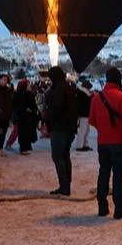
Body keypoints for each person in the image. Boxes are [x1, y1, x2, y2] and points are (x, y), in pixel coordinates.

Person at [89, 67, 122, 219]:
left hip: (102, 142)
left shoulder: (97, 97)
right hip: (118, 142)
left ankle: (102, 206)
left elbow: (92, 120)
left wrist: (104, 130)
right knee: (118, 176)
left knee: (103, 173)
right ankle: (120, 208)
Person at [43, 66, 77, 196]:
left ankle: (64, 185)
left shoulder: (58, 90)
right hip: (69, 128)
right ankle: (66, 183)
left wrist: (47, 121)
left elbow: (55, 109)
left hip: (59, 128)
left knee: (58, 156)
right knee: (65, 155)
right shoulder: (69, 87)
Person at [12, 79, 38, 155]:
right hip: (22, 117)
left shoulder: (30, 94)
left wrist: (32, 109)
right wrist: (25, 109)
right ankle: (23, 148)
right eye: (28, 85)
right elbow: (16, 105)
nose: (29, 86)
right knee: (23, 132)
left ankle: (27, 146)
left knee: (29, 132)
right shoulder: (18, 94)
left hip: (30, 117)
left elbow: (33, 104)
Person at [74, 80, 94, 151]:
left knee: (85, 130)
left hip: (85, 114)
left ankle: (84, 144)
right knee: (83, 131)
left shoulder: (82, 93)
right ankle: (80, 146)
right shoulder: (83, 94)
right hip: (83, 114)